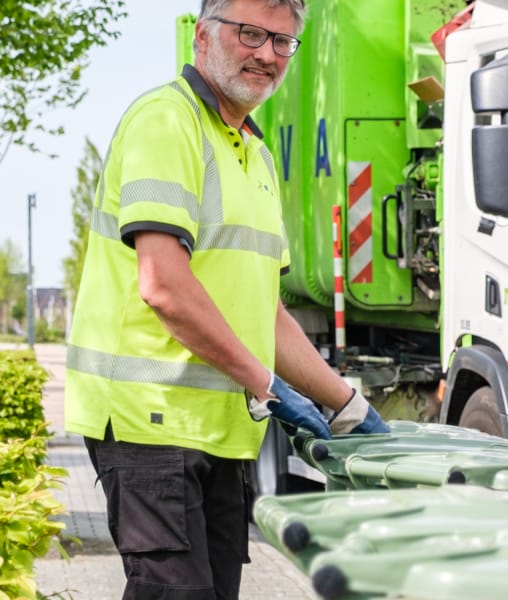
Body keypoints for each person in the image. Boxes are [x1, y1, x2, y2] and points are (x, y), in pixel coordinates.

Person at [60, 0, 389, 597]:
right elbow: (164, 285)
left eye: (283, 42)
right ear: (203, 36)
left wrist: (348, 407)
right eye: (251, 33)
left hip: (222, 432)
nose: (267, 54)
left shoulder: (255, 154)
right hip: (149, 423)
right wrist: (266, 385)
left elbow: (267, 312)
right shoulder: (166, 123)